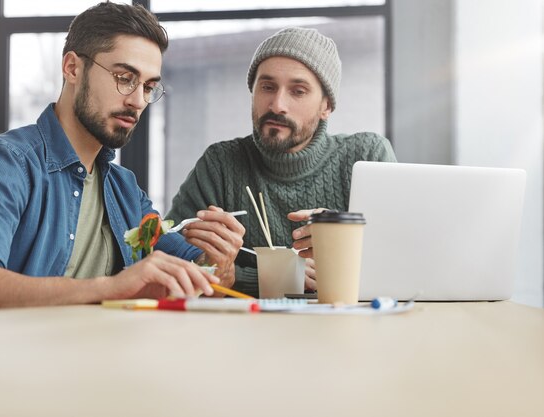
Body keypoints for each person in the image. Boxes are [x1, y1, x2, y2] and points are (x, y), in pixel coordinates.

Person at [0, 2, 244, 311]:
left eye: (149, 87)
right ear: (73, 68)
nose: (138, 101)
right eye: (124, 77)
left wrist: (218, 263)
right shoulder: (1, 164)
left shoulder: (124, 190)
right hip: (0, 357)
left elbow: (203, 284)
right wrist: (112, 288)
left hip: (95, 356)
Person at [166, 27, 397, 297]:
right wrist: (241, 276)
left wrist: (346, 241)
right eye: (267, 87)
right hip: (243, 332)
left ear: (326, 106)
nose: (277, 105)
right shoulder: (220, 164)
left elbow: (401, 257)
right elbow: (167, 254)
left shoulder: (366, 156)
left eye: (298, 91)